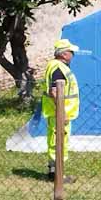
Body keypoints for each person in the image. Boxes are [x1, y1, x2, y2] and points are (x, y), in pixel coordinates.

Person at [41, 39, 80, 183]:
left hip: (57, 112)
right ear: (64, 54)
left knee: (54, 141)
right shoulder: (58, 68)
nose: (73, 54)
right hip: (59, 113)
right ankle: (59, 176)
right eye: (71, 52)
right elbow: (54, 91)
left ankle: (53, 172)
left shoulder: (56, 66)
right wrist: (61, 112)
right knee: (59, 142)